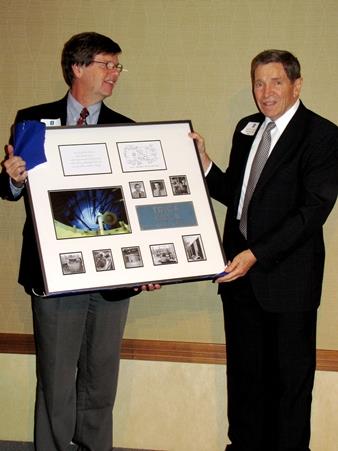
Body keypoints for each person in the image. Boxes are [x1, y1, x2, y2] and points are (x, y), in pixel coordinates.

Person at [0, 32, 160, 451]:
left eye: (117, 66)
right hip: (54, 273)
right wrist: (14, 179)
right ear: (78, 67)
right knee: (55, 377)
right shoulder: (33, 121)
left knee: (101, 377)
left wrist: (151, 264)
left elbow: (134, 208)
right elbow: (11, 187)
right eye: (107, 64)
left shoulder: (125, 129)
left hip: (111, 275)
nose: (115, 74)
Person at [191, 49, 338, 451]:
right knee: (244, 380)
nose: (265, 91)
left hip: (288, 283)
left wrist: (255, 253)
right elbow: (237, 196)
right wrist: (204, 165)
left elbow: (311, 213)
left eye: (276, 82)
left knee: (289, 386)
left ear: (297, 85)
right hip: (239, 280)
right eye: (258, 82)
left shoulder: (324, 136)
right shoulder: (246, 128)